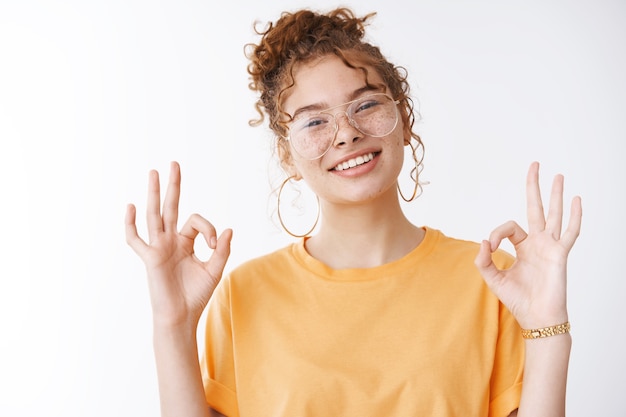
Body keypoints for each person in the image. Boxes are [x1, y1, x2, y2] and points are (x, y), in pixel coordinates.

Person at [125, 7, 582, 417]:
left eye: (366, 105)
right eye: (315, 121)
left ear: (403, 118)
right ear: (287, 155)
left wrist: (548, 330)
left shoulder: (493, 279)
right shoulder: (244, 294)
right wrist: (173, 324)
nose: (346, 134)